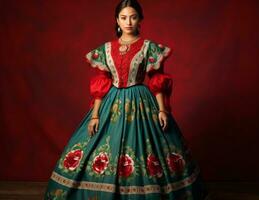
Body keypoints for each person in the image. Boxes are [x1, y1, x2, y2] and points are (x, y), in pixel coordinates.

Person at [44, 0, 209, 199]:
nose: (128, 22)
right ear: (117, 20)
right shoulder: (106, 49)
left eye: (133, 17)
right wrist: (95, 115)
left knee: (147, 150)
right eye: (123, 17)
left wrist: (162, 110)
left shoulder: (148, 47)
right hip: (110, 103)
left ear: (140, 20)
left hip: (141, 101)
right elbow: (101, 83)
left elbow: (157, 80)